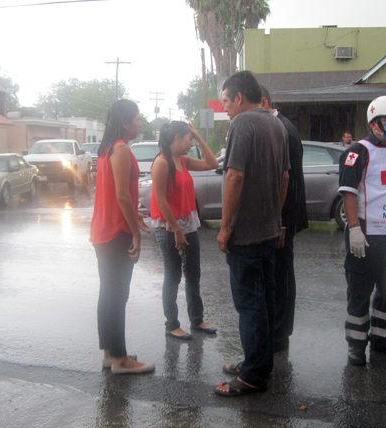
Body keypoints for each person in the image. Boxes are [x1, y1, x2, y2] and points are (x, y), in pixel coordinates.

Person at [215, 71, 290, 397]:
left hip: (246, 235)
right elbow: (284, 177)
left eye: (226, 101)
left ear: (239, 97)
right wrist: (275, 217)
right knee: (265, 302)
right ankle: (257, 363)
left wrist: (226, 226)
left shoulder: (242, 124)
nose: (225, 107)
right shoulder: (276, 123)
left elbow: (234, 176)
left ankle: (253, 376)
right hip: (269, 232)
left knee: (250, 305)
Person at [338, 96, 386, 366]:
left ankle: (383, 339)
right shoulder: (358, 151)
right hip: (365, 233)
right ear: (375, 123)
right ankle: (356, 344)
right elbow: (349, 193)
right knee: (359, 291)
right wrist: (355, 229)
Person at [89, 100, 155, 375]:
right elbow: (122, 195)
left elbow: (116, 193)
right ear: (126, 123)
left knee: (109, 292)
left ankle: (110, 353)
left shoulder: (107, 148)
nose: (140, 123)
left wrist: (134, 216)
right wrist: (136, 233)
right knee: (117, 294)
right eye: (137, 119)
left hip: (103, 229)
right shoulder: (121, 149)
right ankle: (121, 360)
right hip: (117, 231)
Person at [150, 121, 219, 340]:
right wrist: (177, 230)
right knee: (173, 276)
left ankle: (197, 320)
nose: (191, 144)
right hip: (169, 227)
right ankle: (172, 325)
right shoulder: (162, 163)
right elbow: (161, 200)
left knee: (193, 274)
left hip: (188, 223)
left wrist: (198, 137)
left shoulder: (183, 160)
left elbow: (212, 163)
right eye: (189, 139)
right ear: (177, 138)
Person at [259, 86, 308, 352]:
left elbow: (289, 181)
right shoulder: (278, 126)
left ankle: (279, 335)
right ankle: (276, 332)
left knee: (281, 277)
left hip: (283, 221)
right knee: (278, 275)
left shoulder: (283, 130)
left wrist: (283, 223)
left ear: (264, 102)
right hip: (280, 220)